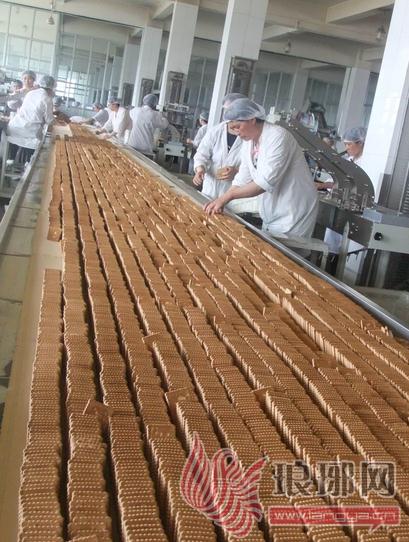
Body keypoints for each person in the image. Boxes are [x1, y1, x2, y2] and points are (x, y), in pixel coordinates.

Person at [204, 98, 318, 239]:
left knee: (285, 252)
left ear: (252, 119)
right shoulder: (249, 142)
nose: (236, 132)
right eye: (233, 128)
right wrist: (221, 199)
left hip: (293, 210)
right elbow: (242, 178)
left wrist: (227, 197)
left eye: (238, 126)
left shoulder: (277, 136)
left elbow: (264, 183)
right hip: (272, 209)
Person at [323, 126, 367, 273]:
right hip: (340, 205)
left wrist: (323, 185)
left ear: (360, 143)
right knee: (332, 243)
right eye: (345, 144)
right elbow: (335, 179)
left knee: (346, 251)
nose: (346, 148)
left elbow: (351, 185)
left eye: (349, 144)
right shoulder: (348, 160)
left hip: (355, 210)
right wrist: (324, 184)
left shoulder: (366, 163)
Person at [193, 93, 246, 199]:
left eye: (231, 111)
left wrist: (237, 171)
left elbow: (254, 166)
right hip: (210, 189)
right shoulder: (215, 132)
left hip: (234, 192)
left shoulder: (249, 136)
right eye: (226, 110)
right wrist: (200, 169)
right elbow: (201, 155)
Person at [6, 74, 55, 162]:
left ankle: (11, 164)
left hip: (15, 127)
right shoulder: (47, 98)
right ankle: (25, 165)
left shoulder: (31, 93)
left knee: (9, 159)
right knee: (30, 159)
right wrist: (57, 123)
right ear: (51, 88)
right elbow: (49, 120)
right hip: (29, 132)